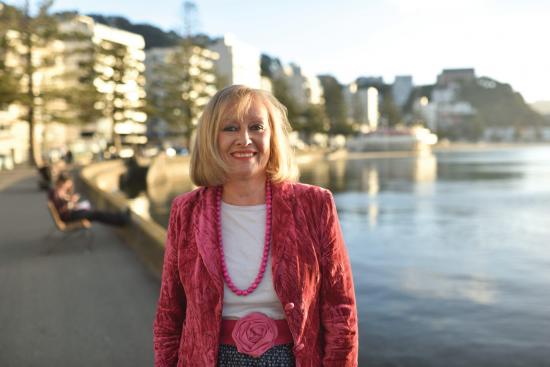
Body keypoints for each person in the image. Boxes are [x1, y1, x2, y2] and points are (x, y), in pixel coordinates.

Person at [153, 85, 358, 367]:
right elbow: (169, 313)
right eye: (230, 128)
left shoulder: (315, 205)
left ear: (273, 136)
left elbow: (340, 311)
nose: (244, 139)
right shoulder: (186, 211)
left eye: (256, 127)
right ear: (211, 137)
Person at [48, 172, 129, 226]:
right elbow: (62, 210)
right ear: (61, 182)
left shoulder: (58, 192)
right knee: (96, 214)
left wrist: (72, 203)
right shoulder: (55, 193)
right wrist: (71, 202)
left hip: (71, 214)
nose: (68, 187)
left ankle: (119, 218)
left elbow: (64, 207)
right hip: (68, 217)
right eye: (67, 184)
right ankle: (121, 220)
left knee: (96, 213)